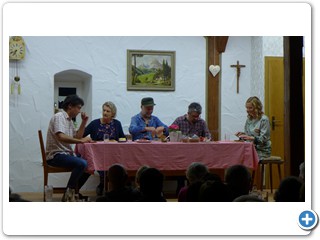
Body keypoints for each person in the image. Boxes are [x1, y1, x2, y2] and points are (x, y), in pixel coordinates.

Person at [46, 94, 93, 202]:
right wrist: (81, 141)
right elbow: (61, 136)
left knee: (90, 165)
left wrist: (84, 122)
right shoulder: (59, 116)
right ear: (70, 106)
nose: (79, 111)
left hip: (64, 154)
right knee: (82, 163)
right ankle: (68, 195)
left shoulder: (69, 120)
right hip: (55, 156)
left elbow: (77, 137)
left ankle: (74, 193)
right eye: (79, 107)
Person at [83, 101, 126, 195]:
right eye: (104, 110)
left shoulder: (117, 124)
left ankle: (110, 186)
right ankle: (103, 183)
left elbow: (123, 138)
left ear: (113, 114)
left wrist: (118, 140)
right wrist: (88, 139)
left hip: (114, 155)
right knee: (102, 164)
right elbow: (81, 134)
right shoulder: (94, 123)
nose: (105, 113)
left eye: (108, 111)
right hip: (98, 155)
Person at [171, 102, 211, 194]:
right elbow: (171, 133)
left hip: (197, 154)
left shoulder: (201, 122)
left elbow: (208, 136)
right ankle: (180, 187)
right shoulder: (179, 120)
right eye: (194, 116)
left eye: (198, 116)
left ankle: (195, 188)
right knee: (179, 166)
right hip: (181, 153)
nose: (196, 118)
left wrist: (205, 139)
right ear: (188, 113)